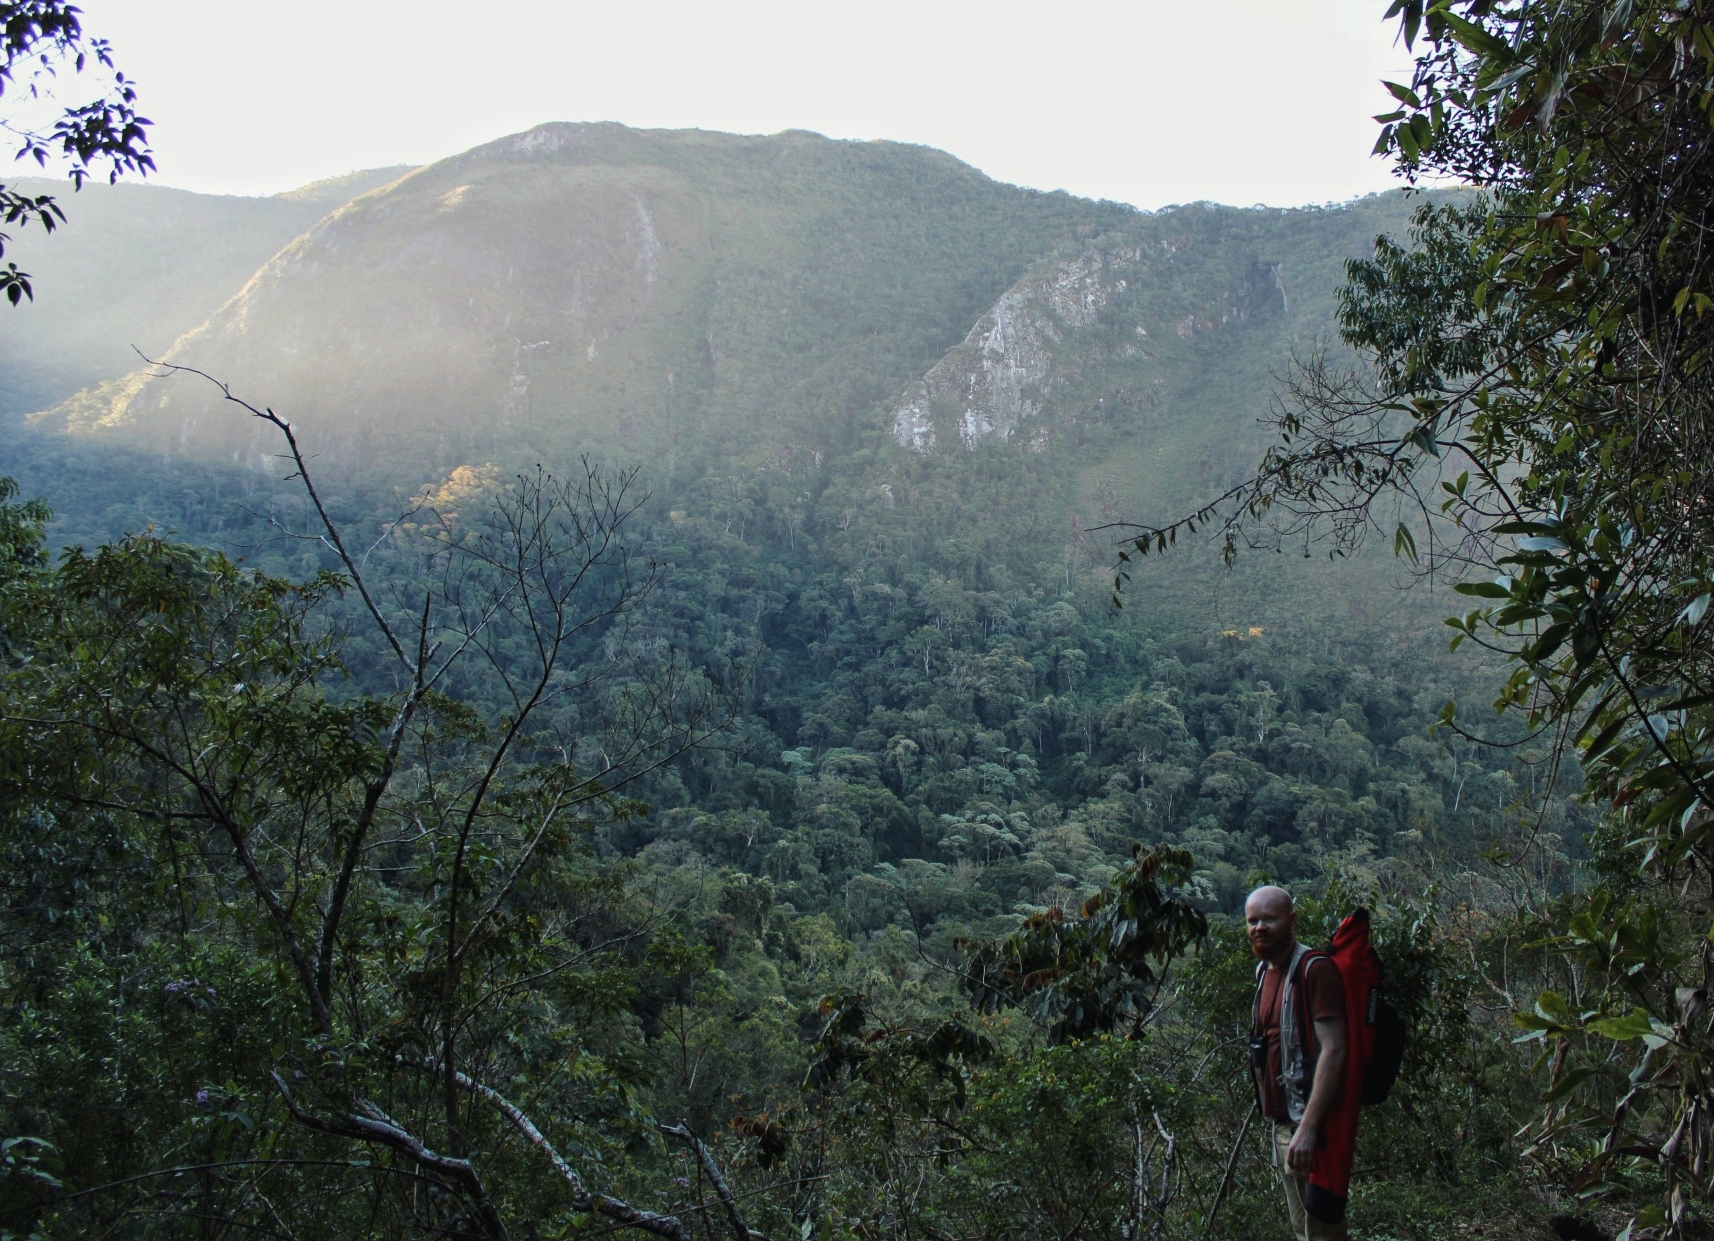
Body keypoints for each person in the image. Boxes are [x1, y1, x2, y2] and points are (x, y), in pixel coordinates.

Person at [1246, 885, 1350, 1241]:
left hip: (1312, 1129)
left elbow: (1334, 1049)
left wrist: (1308, 1127)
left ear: (1291, 920)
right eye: (1253, 921)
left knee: (1323, 1232)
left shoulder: (1314, 969)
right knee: (1302, 1230)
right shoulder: (1264, 973)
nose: (1259, 927)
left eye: (1269, 919)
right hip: (1283, 1127)